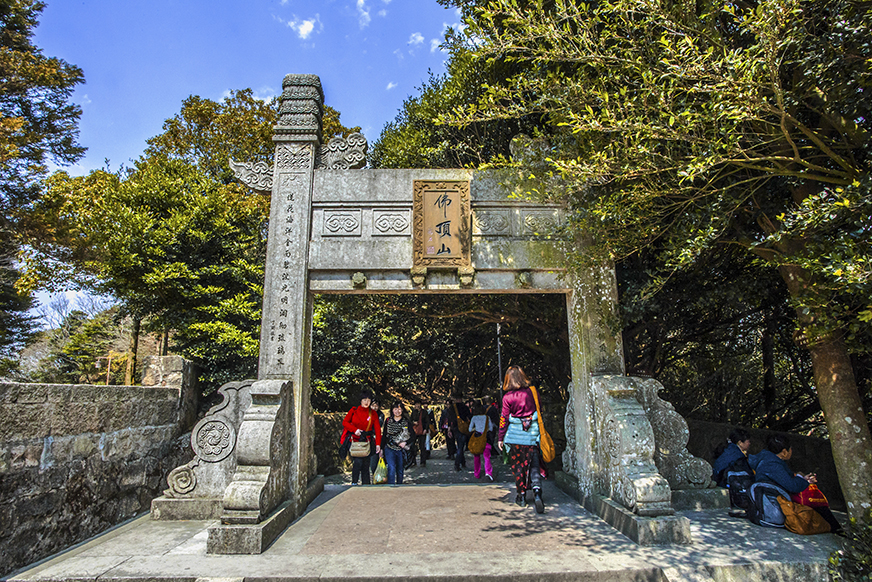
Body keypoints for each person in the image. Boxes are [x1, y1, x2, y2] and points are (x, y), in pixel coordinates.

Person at [750, 434, 842, 534]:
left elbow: (787, 479)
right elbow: (793, 486)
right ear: (784, 452)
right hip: (776, 502)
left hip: (773, 496)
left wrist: (804, 479)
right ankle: (837, 530)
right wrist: (800, 477)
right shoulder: (773, 465)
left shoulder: (766, 458)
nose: (791, 451)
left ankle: (835, 529)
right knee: (817, 504)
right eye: (790, 449)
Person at [497, 366, 544, 513]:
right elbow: (540, 409)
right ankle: (537, 491)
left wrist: (500, 437)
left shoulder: (507, 397)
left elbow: (504, 418)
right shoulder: (533, 392)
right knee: (534, 463)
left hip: (515, 436)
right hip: (532, 434)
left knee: (518, 466)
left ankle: (521, 495)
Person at [341, 391, 382, 485]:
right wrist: (355, 430)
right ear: (360, 400)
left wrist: (378, 444)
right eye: (364, 399)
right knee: (358, 462)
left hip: (367, 441)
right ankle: (354, 482)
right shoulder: (354, 410)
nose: (366, 402)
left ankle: (366, 484)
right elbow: (345, 422)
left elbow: (378, 430)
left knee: (366, 464)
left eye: (368, 399)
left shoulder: (373, 413)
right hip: (355, 441)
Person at [383, 400, 412, 484]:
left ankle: (399, 486)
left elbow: (413, 435)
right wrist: (381, 449)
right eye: (395, 409)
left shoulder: (406, 421)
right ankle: (391, 487)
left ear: (402, 410)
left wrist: (405, 443)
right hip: (389, 448)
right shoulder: (388, 420)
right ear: (392, 410)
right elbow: (384, 435)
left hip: (401, 450)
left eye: (399, 409)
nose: (397, 411)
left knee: (400, 469)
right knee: (391, 467)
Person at [468, 403, 494, 481]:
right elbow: (491, 428)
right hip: (485, 438)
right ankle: (488, 473)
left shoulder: (474, 418)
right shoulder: (487, 417)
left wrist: (476, 429)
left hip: (477, 438)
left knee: (476, 456)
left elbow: (469, 429)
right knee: (487, 457)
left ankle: (477, 473)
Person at [448, 394, 471, 472]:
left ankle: (463, 462)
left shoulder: (452, 408)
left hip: (455, 428)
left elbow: (449, 419)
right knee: (461, 446)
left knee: (459, 444)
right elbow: (469, 417)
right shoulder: (465, 407)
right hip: (463, 428)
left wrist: (449, 429)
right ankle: (457, 464)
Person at [369, 397, 385, 477]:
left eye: (376, 405)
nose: (375, 407)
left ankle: (377, 478)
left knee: (374, 462)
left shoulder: (381, 415)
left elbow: (377, 427)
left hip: (376, 441)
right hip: (366, 440)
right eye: (373, 405)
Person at [410, 400, 429, 467]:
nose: (417, 406)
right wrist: (413, 423)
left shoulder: (424, 412)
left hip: (422, 430)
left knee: (422, 446)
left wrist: (425, 429)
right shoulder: (413, 412)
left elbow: (427, 421)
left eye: (418, 404)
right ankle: (413, 461)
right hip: (415, 431)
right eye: (416, 404)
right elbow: (410, 421)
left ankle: (423, 461)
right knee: (412, 446)